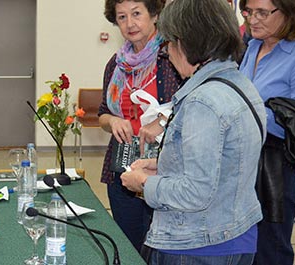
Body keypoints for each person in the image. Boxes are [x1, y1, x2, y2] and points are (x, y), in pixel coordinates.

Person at [120, 0, 266, 263]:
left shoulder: (203, 101)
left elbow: (194, 193)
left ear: (186, 42)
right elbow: (225, 163)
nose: (168, 53)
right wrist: (162, 165)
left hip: (197, 245)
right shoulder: (241, 85)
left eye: (168, 44)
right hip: (235, 234)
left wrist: (142, 182)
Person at [238, 0, 295, 264]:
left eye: (262, 13)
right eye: (248, 12)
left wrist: (246, 112)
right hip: (244, 162)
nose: (253, 19)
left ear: (290, 13)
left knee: (269, 252)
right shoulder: (252, 47)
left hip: (275, 170)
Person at [99, 0, 181, 252]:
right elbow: (102, 113)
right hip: (122, 166)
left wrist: (162, 121)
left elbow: (189, 107)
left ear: (155, 15)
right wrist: (113, 120)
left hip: (163, 170)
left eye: (136, 14)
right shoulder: (116, 63)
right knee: (128, 245)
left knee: (160, 247)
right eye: (121, 17)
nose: (129, 23)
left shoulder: (172, 56)